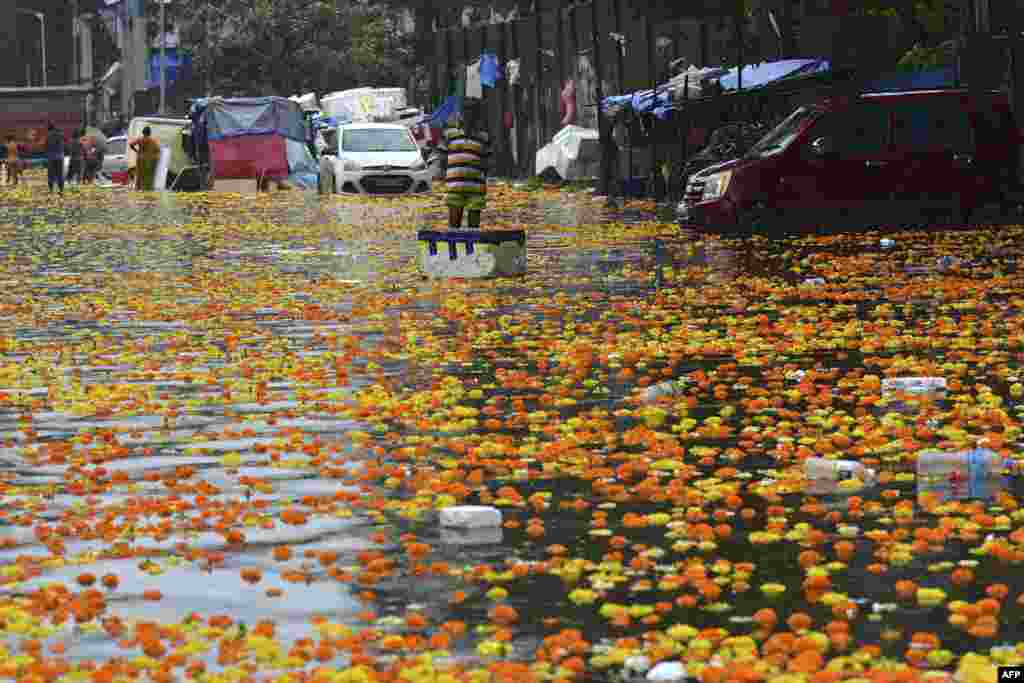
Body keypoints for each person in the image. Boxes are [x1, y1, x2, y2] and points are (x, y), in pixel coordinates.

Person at [439, 98, 490, 229]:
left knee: (473, 231)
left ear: (477, 117)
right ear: (461, 115)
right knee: (453, 229)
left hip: (476, 189)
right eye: (467, 113)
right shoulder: (449, 134)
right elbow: (442, 157)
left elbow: (488, 162)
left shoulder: (483, 138)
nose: (469, 118)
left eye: (473, 114)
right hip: (454, 187)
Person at [130, 126, 161, 191]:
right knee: (148, 176)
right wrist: (156, 157)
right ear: (149, 133)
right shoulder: (153, 141)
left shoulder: (139, 139)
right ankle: (147, 189)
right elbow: (157, 149)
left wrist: (136, 150)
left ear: (143, 132)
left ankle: (137, 188)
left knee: (139, 174)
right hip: (148, 159)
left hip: (140, 158)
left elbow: (131, 144)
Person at [45, 123, 65, 194]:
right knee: (60, 174)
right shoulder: (61, 135)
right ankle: (61, 190)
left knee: (51, 174)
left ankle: (51, 190)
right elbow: (64, 145)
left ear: (49, 129)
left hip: (51, 157)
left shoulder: (48, 136)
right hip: (60, 156)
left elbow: (46, 146)